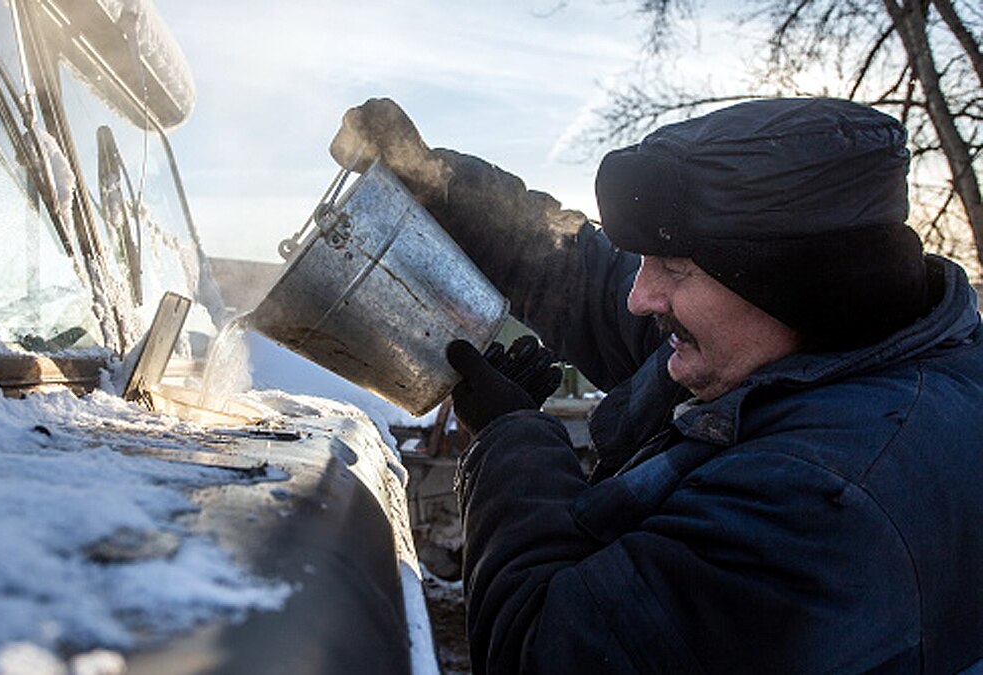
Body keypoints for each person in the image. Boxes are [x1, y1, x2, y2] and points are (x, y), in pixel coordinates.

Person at [330, 97, 983, 673]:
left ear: (795, 285)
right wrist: (438, 185)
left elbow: (545, 651)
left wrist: (510, 445)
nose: (641, 297)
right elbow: (586, 279)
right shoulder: (790, 340)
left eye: (673, 267)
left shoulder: (828, 499)